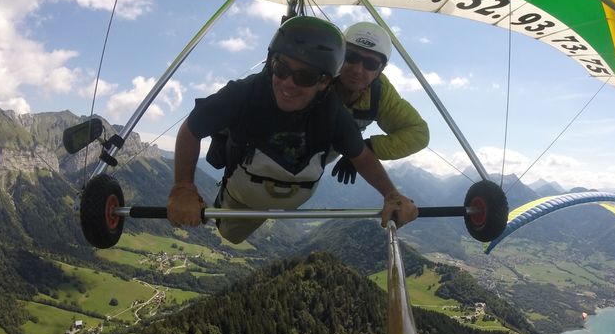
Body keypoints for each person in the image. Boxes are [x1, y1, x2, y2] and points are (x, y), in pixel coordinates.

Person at [167, 15, 418, 243]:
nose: (288, 83)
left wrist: (391, 194)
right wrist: (183, 188)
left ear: (324, 82)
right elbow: (192, 128)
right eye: (281, 69)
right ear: (271, 63)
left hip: (294, 186)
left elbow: (361, 156)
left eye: (305, 77)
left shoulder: (333, 111)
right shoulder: (245, 92)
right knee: (231, 235)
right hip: (246, 185)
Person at [330, 21, 429, 184]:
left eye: (370, 64)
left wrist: (365, 148)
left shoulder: (380, 93)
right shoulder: (318, 76)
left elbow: (418, 133)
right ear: (339, 55)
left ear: (380, 70)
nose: (357, 69)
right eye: (351, 56)